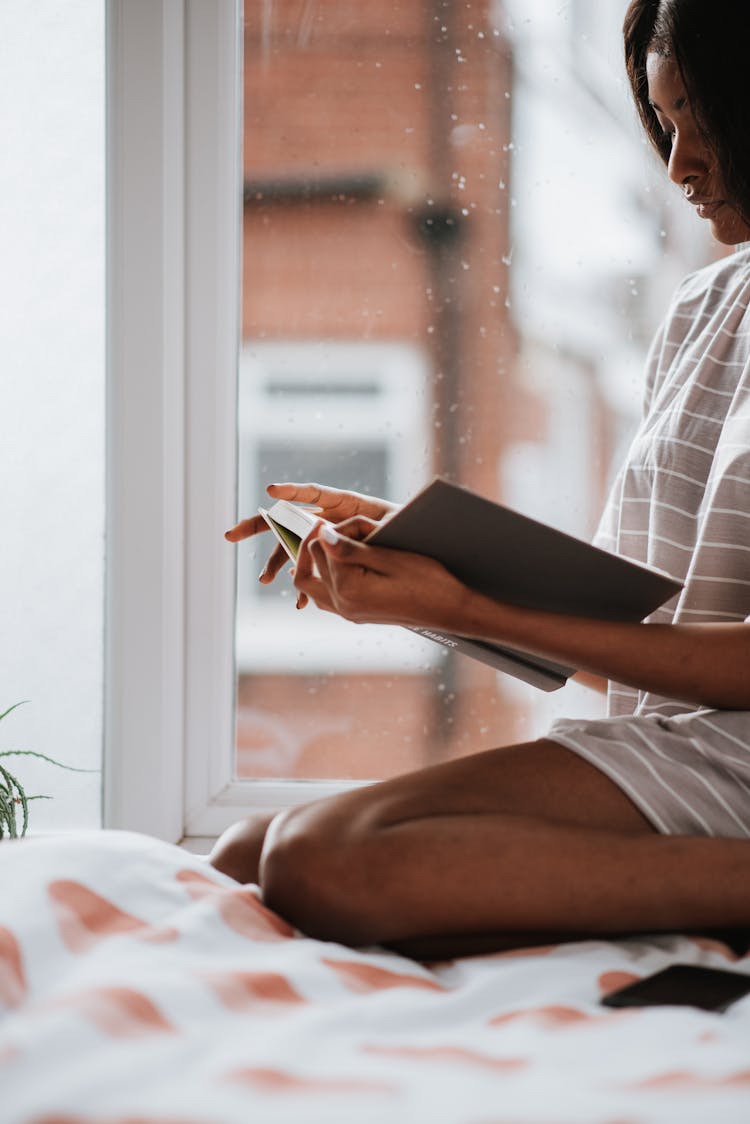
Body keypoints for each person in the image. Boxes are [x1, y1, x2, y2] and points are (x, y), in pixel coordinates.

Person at [210, 0, 750, 959]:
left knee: (316, 862)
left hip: (734, 751)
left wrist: (475, 608)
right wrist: (417, 563)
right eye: (667, 125)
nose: (678, 166)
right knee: (248, 850)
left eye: (705, 125)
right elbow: (632, 642)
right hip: (684, 742)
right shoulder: (708, 304)